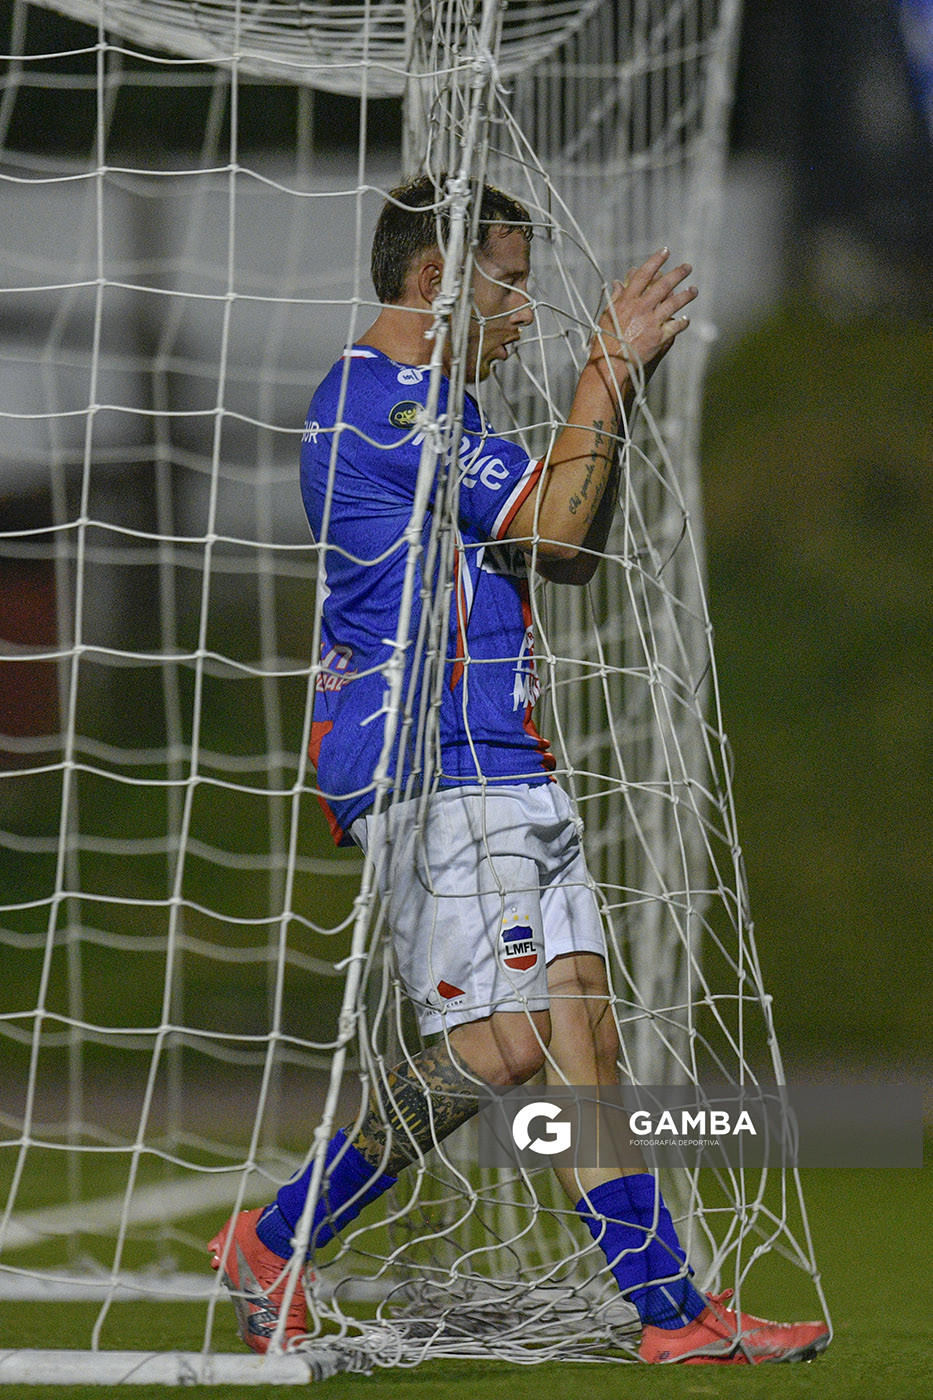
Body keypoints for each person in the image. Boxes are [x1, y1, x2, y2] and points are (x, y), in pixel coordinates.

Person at [208, 175, 830, 1366]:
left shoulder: (447, 410)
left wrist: (608, 396)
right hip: (430, 759)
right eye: (512, 283)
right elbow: (556, 524)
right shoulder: (385, 402)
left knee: (583, 1032)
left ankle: (670, 1311)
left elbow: (568, 551)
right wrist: (605, 373)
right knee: (506, 1043)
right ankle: (274, 1237)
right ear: (439, 279)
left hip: (504, 753)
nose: (526, 312)